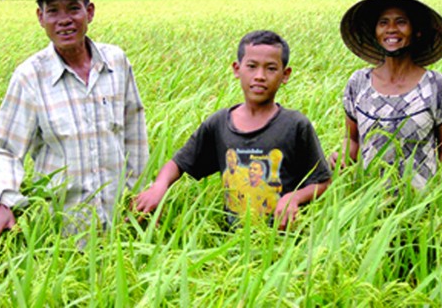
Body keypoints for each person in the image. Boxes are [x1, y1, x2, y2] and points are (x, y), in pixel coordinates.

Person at [0, 0, 149, 254]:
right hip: (61, 236)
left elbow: (135, 132)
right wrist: (3, 202)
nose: (64, 20)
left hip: (121, 229)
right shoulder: (29, 77)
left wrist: (139, 194)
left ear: (90, 12)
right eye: (53, 11)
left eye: (73, 8)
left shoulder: (116, 63)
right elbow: (7, 151)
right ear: (40, 18)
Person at [132, 30, 331, 229]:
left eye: (271, 68)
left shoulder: (295, 125)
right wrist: (159, 186)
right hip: (233, 241)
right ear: (237, 69)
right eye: (252, 67)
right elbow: (179, 163)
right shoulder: (218, 124)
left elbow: (322, 180)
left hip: (283, 242)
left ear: (285, 75)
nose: (260, 76)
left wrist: (294, 198)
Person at [330, 0, 442, 188]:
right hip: (367, 203)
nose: (391, 29)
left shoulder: (437, 86)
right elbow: (352, 139)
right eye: (383, 23)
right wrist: (342, 157)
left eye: (401, 22)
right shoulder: (358, 83)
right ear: (375, 32)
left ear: (417, 32)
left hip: (422, 205)